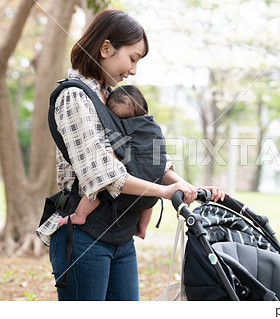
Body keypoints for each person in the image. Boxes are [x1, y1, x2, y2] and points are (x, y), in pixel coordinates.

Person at [43, 9, 226, 301]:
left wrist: (186, 187)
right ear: (105, 48)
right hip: (84, 238)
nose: (133, 70)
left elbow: (145, 155)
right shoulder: (74, 96)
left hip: (121, 236)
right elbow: (103, 173)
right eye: (132, 58)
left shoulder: (115, 97)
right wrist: (166, 191)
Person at [58, 85, 153, 240]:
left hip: (122, 183)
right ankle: (142, 228)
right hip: (145, 187)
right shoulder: (149, 132)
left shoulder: (115, 134)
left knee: (97, 191)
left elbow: (107, 170)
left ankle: (80, 215)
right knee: (148, 203)